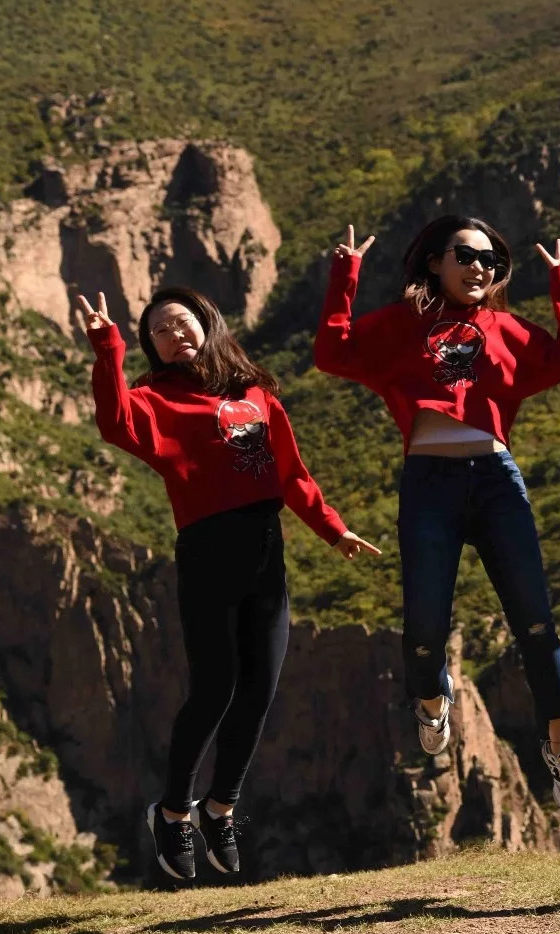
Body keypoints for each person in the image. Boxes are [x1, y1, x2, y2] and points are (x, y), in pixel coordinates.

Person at [79, 285, 379, 882]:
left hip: (265, 551)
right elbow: (113, 423)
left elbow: (292, 474)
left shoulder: (255, 395)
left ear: (206, 324)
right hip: (206, 553)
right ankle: (172, 812)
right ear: (151, 346)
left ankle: (220, 807)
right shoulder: (153, 398)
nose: (173, 336)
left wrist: (333, 530)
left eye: (181, 323)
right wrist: (107, 347)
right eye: (159, 331)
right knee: (215, 687)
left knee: (261, 687)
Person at [313, 214, 560, 809]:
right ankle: (431, 698)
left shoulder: (505, 327)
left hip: (495, 479)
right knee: (425, 621)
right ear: (434, 262)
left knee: (536, 622)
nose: (479, 268)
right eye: (465, 256)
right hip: (429, 481)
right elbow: (332, 352)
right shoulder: (401, 326)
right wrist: (345, 275)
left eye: (489, 261)